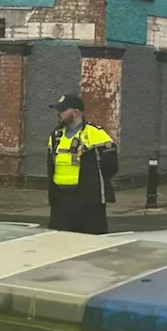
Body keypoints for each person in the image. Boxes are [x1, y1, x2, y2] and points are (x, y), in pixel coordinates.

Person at [47, 93, 118, 234]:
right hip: (60, 199)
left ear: (76, 112)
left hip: (87, 200)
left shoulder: (95, 133)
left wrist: (91, 186)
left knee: (90, 240)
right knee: (58, 242)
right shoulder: (56, 135)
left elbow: (110, 165)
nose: (58, 113)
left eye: (62, 110)